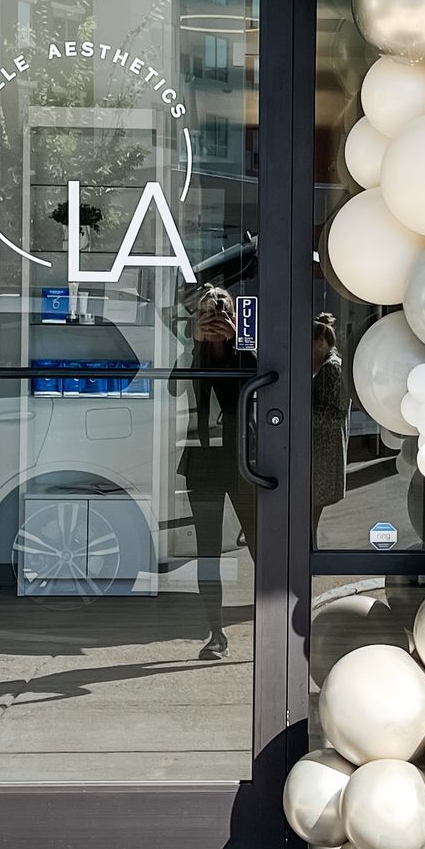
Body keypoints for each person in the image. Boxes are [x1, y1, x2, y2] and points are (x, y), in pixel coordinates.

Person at [181, 283, 259, 662]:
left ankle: (272, 627)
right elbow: (174, 390)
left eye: (221, 312)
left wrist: (238, 344)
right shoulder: (193, 353)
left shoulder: (246, 352)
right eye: (207, 314)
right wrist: (197, 344)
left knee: (265, 548)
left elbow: (257, 389)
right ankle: (215, 632)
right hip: (205, 459)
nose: (215, 320)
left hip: (245, 460)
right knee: (207, 553)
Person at [310, 310, 347, 543]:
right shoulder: (329, 366)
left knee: (308, 521)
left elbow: (335, 415)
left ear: (321, 342)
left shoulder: (330, 369)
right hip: (322, 460)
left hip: (322, 461)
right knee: (309, 521)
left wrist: (300, 407)